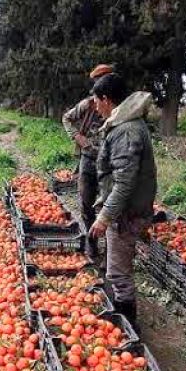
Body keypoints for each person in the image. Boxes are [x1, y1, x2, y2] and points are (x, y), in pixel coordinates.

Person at [87, 73, 157, 326]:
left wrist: (105, 216)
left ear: (106, 100)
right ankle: (122, 315)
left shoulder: (126, 131)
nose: (95, 107)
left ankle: (127, 324)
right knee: (117, 265)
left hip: (126, 213)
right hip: (125, 210)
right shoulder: (124, 125)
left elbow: (125, 183)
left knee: (118, 271)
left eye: (96, 101)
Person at [62, 64, 114, 258]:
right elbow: (66, 118)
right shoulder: (88, 105)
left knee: (108, 206)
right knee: (86, 202)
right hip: (89, 159)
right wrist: (78, 137)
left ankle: (110, 254)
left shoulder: (118, 107)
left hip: (109, 164)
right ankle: (92, 244)